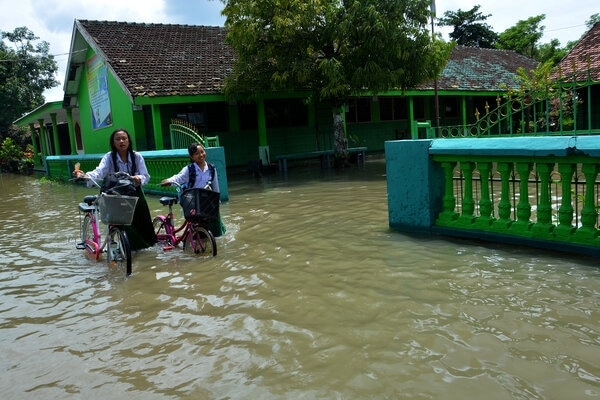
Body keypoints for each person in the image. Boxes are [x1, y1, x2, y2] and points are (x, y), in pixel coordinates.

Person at [73, 128, 157, 251]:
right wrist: (84, 175)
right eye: (118, 139)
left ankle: (146, 247)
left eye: (124, 138)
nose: (121, 141)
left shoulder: (136, 156)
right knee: (120, 221)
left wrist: (138, 178)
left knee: (143, 222)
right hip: (115, 193)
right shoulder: (109, 157)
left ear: (129, 141)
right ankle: (127, 246)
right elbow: (99, 171)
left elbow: (145, 175)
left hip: (135, 193)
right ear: (113, 142)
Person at [161, 142, 225, 236]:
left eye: (202, 152)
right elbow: (178, 178)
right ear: (191, 157)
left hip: (207, 199)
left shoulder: (211, 168)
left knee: (215, 222)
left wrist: (217, 202)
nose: (201, 155)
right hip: (192, 200)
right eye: (197, 153)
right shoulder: (189, 169)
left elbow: (215, 187)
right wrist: (168, 181)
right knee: (195, 222)